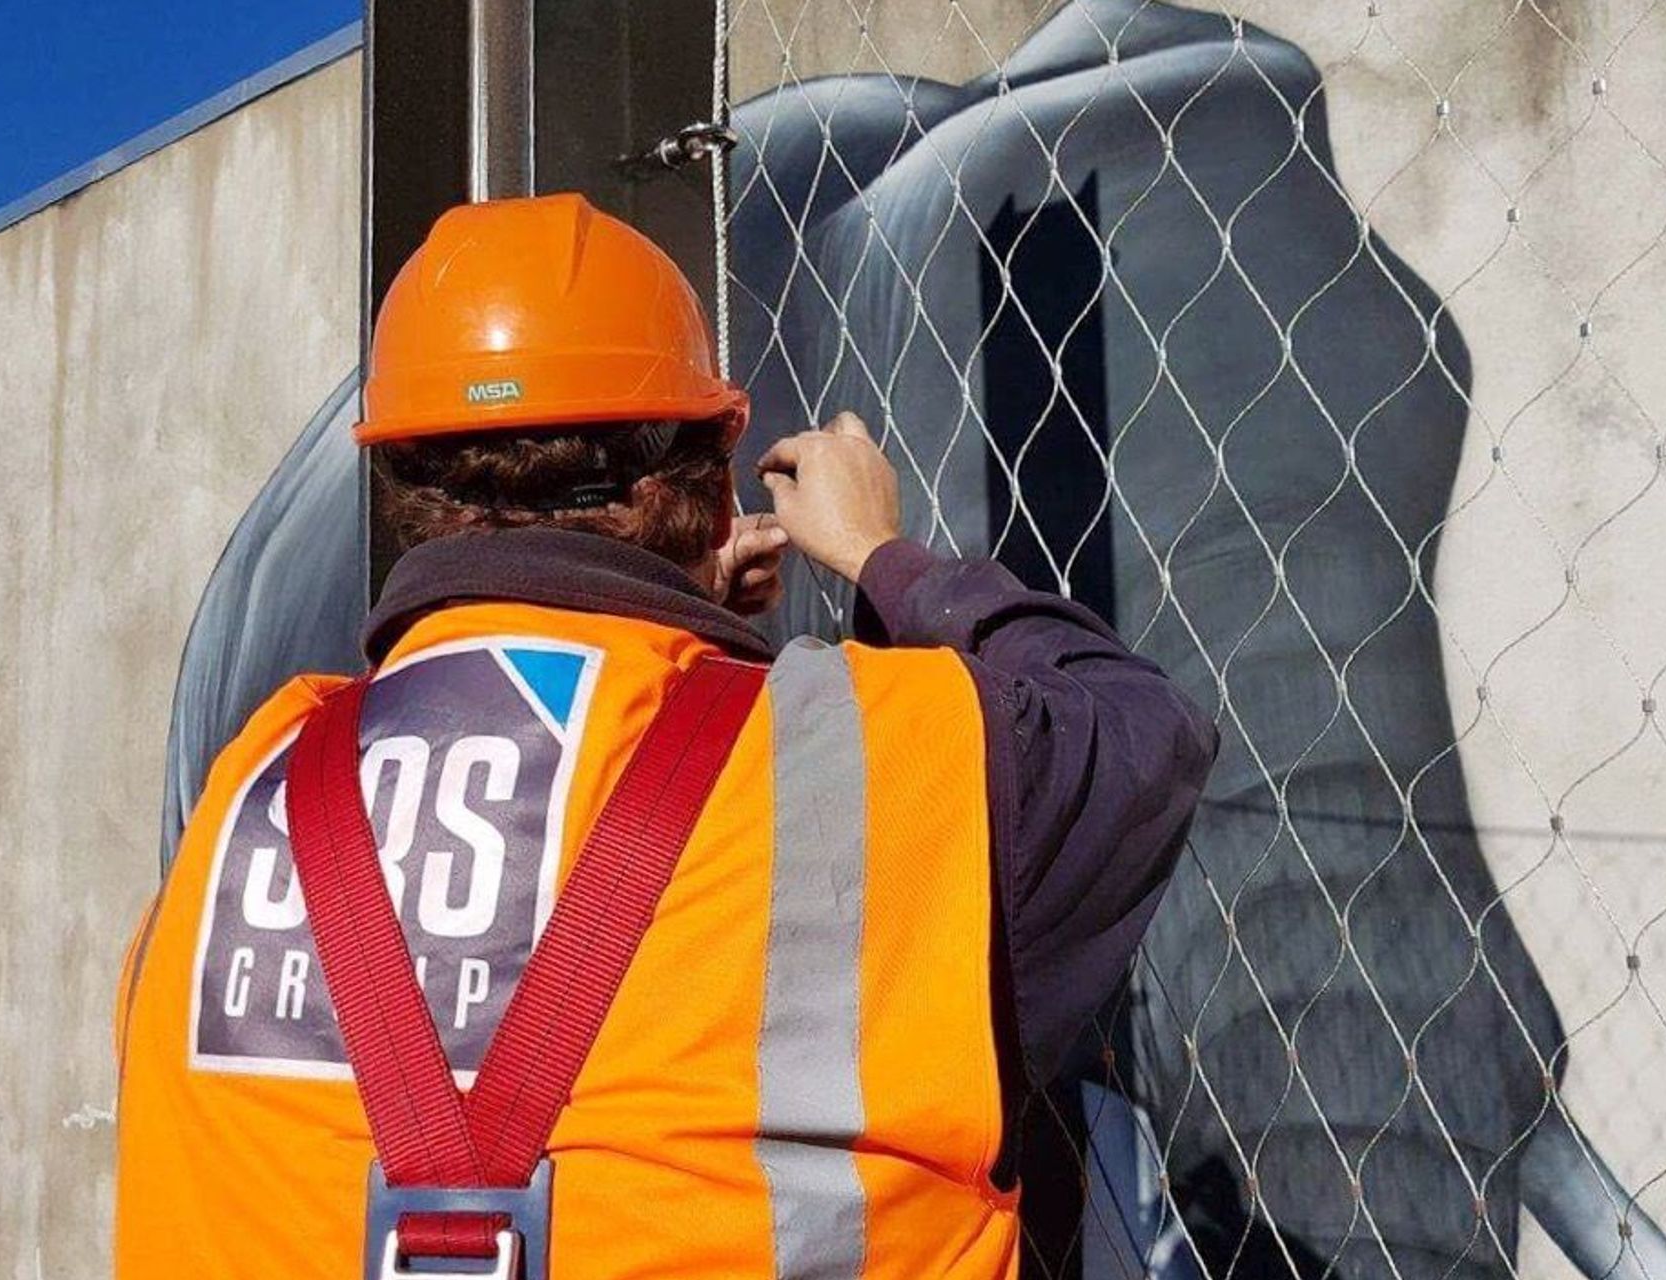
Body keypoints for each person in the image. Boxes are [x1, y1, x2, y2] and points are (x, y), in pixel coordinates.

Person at [112, 192, 1215, 1279]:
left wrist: (671, 614)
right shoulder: (867, 753)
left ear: (399, 481)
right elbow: (1138, 730)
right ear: (703, 472)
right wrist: (882, 554)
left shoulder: (249, 788)